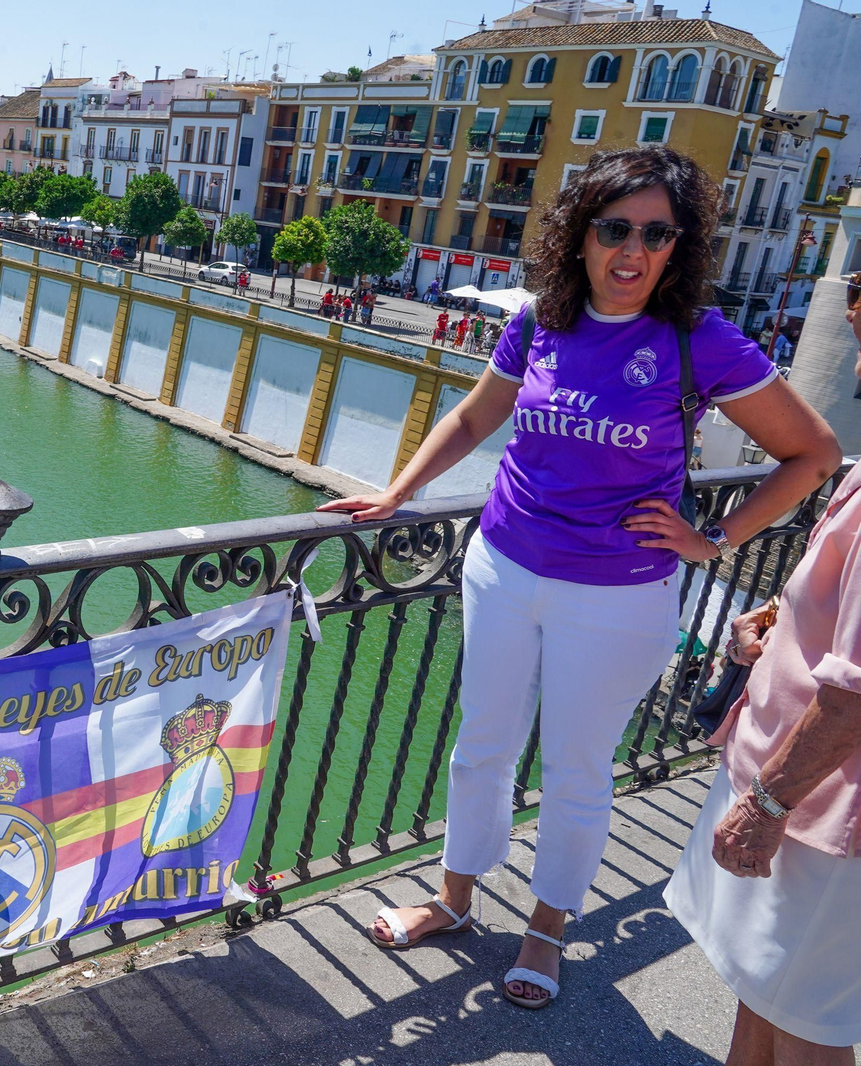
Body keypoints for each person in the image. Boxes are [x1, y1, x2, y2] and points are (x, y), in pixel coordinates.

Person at [317, 146, 839, 1010]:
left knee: (576, 769)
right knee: (481, 745)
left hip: (619, 594)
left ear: (679, 247)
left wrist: (713, 539)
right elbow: (476, 415)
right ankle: (454, 901)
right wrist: (397, 493)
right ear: (581, 233)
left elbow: (813, 454)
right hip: (501, 566)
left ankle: (546, 929)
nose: (632, 250)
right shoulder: (541, 320)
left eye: (656, 234)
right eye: (615, 228)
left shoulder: (699, 340)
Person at [665, 273, 861, 1063]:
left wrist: (767, 805)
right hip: (805, 797)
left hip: (822, 811)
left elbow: (856, 695)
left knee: (807, 1025)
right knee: (764, 991)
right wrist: (783, 620)